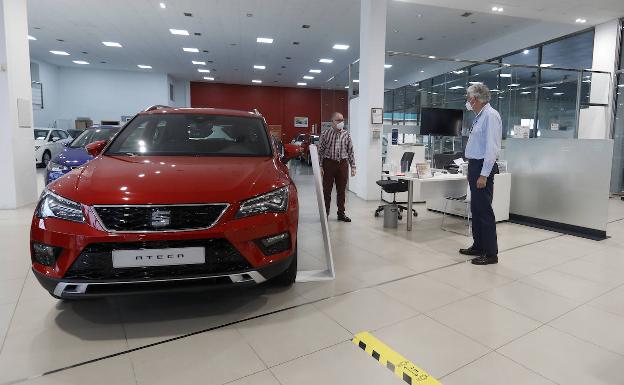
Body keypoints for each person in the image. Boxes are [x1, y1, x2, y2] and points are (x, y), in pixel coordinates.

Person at [459, 83, 502, 265]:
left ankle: (491, 253)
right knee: (475, 209)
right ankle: (478, 245)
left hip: (483, 167)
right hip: (474, 165)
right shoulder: (480, 116)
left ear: (476, 99)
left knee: (484, 211)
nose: (468, 102)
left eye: (469, 99)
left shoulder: (491, 116)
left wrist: (484, 175)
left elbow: (492, 148)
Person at [318, 112, 356, 222]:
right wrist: (320, 166)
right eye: (338, 120)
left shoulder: (346, 134)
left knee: (341, 190)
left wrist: (353, 166)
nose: (341, 122)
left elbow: (350, 151)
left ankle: (341, 213)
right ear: (332, 122)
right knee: (327, 190)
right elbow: (320, 151)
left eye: (342, 120)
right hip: (329, 164)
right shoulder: (325, 134)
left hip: (342, 164)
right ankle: (325, 213)